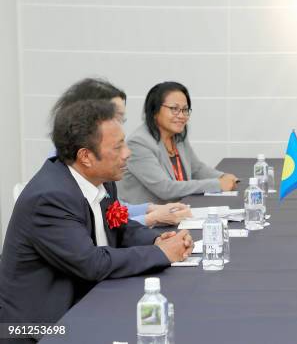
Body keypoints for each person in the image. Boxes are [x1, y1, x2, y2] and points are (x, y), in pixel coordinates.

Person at [0, 100, 193, 342]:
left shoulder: (101, 178)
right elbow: (91, 263)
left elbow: (119, 227)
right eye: (118, 147)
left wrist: (157, 239)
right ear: (86, 157)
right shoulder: (49, 198)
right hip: (42, 327)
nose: (128, 153)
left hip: (88, 301)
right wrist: (162, 254)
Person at [49, 78, 192, 227]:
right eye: (115, 117)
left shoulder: (102, 169)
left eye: (121, 119)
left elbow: (114, 210)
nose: (119, 125)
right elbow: (99, 231)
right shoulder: (65, 175)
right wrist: (152, 218)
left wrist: (151, 209)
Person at [118, 81, 238, 204]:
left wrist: (223, 177)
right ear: (154, 111)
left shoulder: (177, 136)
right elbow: (165, 188)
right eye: (174, 109)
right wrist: (217, 184)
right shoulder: (139, 143)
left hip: (178, 211)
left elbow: (196, 169)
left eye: (185, 110)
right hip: (149, 219)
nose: (181, 115)